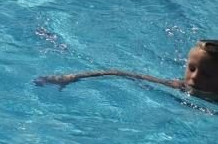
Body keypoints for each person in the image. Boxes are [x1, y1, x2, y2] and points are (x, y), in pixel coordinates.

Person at [36, 38, 218, 99]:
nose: (194, 77)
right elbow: (122, 73)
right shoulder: (179, 86)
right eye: (191, 68)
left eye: (206, 74)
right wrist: (73, 77)